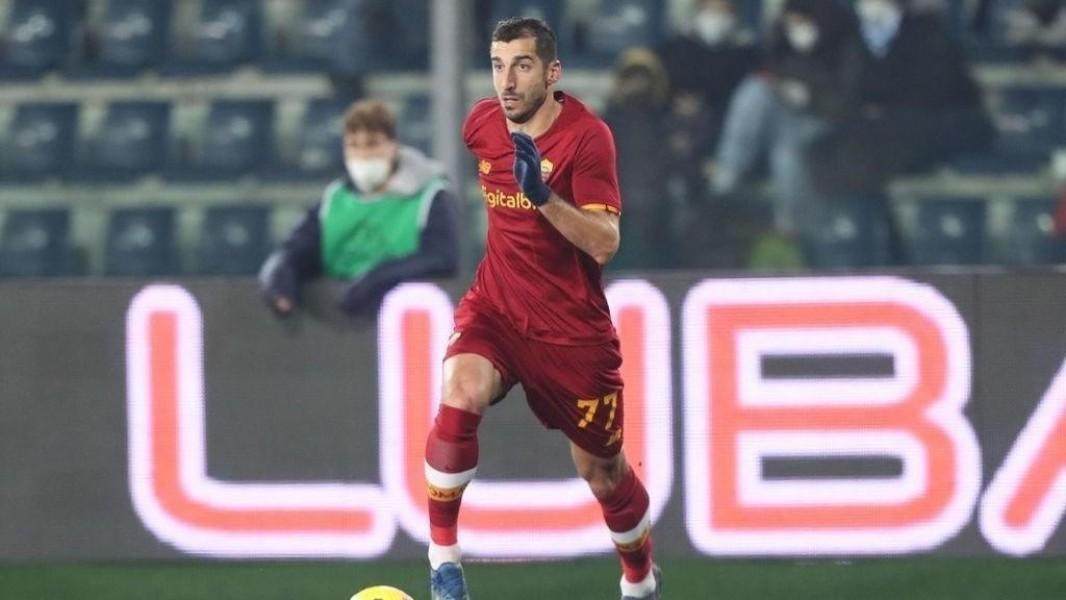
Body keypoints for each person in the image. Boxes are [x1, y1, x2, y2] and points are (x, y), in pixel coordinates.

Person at [424, 17, 661, 600]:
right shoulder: (481, 124)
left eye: (522, 65)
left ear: (553, 73)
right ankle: (444, 561)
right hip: (498, 307)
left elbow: (605, 241)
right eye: (498, 64)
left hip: (570, 333)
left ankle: (640, 582)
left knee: (603, 473)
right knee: (461, 390)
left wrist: (544, 198)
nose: (507, 80)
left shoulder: (588, 138)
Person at [258, 98, 459, 318]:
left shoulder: (430, 197)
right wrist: (281, 271)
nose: (363, 155)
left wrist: (379, 279)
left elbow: (441, 257)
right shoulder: (334, 200)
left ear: (393, 146)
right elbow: (299, 250)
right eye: (354, 145)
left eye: (372, 144)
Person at [711, 0, 862, 243]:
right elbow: (770, 71)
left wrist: (810, 97)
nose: (797, 30)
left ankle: (798, 232)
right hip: (782, 116)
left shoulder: (843, 43)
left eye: (802, 24)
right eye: (792, 24)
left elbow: (846, 103)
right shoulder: (781, 42)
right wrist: (784, 88)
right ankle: (727, 173)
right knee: (754, 91)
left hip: (825, 123)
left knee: (786, 149)